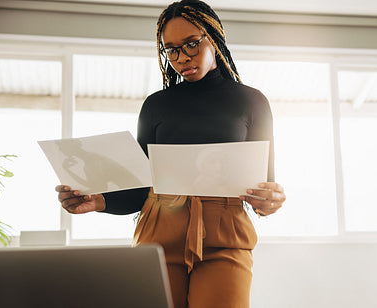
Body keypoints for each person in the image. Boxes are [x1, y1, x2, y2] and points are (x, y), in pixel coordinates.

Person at [56, 1, 286, 307]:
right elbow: (141, 186)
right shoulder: (155, 106)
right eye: (171, 50)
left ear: (214, 38)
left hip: (225, 241)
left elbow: (264, 186)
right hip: (157, 237)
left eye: (192, 44)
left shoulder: (252, 102)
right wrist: (97, 200)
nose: (182, 58)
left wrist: (271, 200)